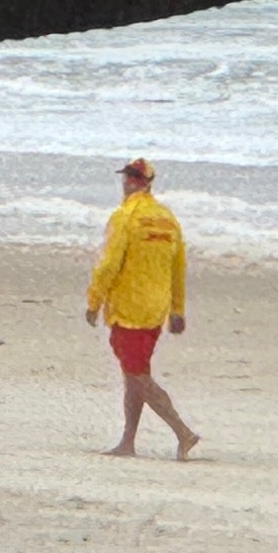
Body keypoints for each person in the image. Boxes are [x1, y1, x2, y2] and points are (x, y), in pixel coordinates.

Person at [86, 156, 199, 459]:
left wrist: (94, 301)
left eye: (127, 179)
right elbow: (178, 268)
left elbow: (108, 264)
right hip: (156, 310)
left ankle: (183, 432)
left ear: (133, 182)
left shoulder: (126, 216)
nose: (124, 184)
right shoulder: (167, 219)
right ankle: (128, 441)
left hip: (128, 309)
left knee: (137, 376)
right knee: (134, 373)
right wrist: (177, 309)